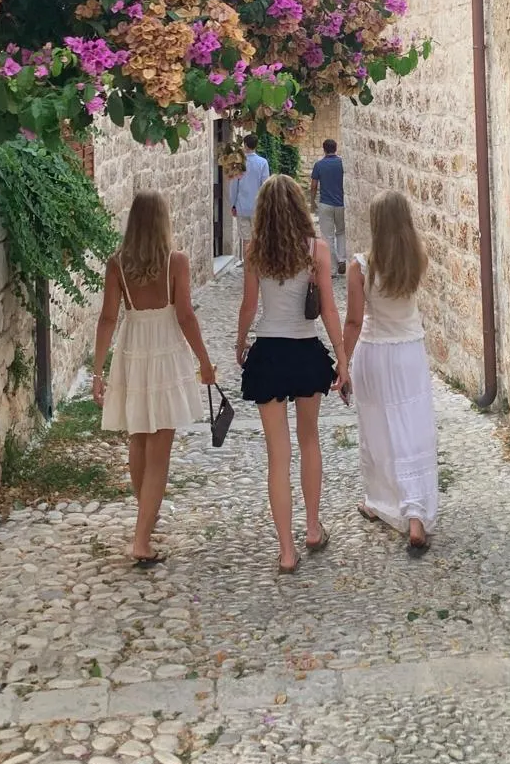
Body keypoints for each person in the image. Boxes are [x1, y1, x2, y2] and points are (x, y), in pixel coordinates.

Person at [92, 192, 217, 568]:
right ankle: (142, 540)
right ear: (163, 222)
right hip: (165, 353)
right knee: (160, 451)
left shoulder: (116, 264)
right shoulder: (176, 262)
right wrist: (205, 362)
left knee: (139, 438)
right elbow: (185, 316)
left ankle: (146, 512)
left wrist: (98, 371)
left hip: (133, 351)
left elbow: (107, 318)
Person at [236, 174, 350, 573]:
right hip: (304, 351)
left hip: (268, 353)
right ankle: (313, 528)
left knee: (277, 456)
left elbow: (249, 305)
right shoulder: (316, 250)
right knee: (310, 440)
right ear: (300, 207)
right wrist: (342, 359)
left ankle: (286, 551)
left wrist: (240, 342)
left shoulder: (254, 251)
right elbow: (329, 309)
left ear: (264, 210)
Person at [344, 190, 438, 556]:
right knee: (412, 430)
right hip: (409, 353)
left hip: (375, 353)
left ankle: (380, 502)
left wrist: (342, 362)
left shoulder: (361, 267)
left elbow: (354, 321)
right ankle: (415, 516)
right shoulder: (418, 259)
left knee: (379, 431)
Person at [310, 138, 347, 276]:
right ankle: (342, 259)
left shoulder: (319, 165)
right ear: (336, 148)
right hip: (341, 203)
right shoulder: (342, 163)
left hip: (325, 203)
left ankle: (332, 268)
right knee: (341, 232)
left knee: (327, 236)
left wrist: (312, 201)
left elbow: (314, 186)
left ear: (324, 149)